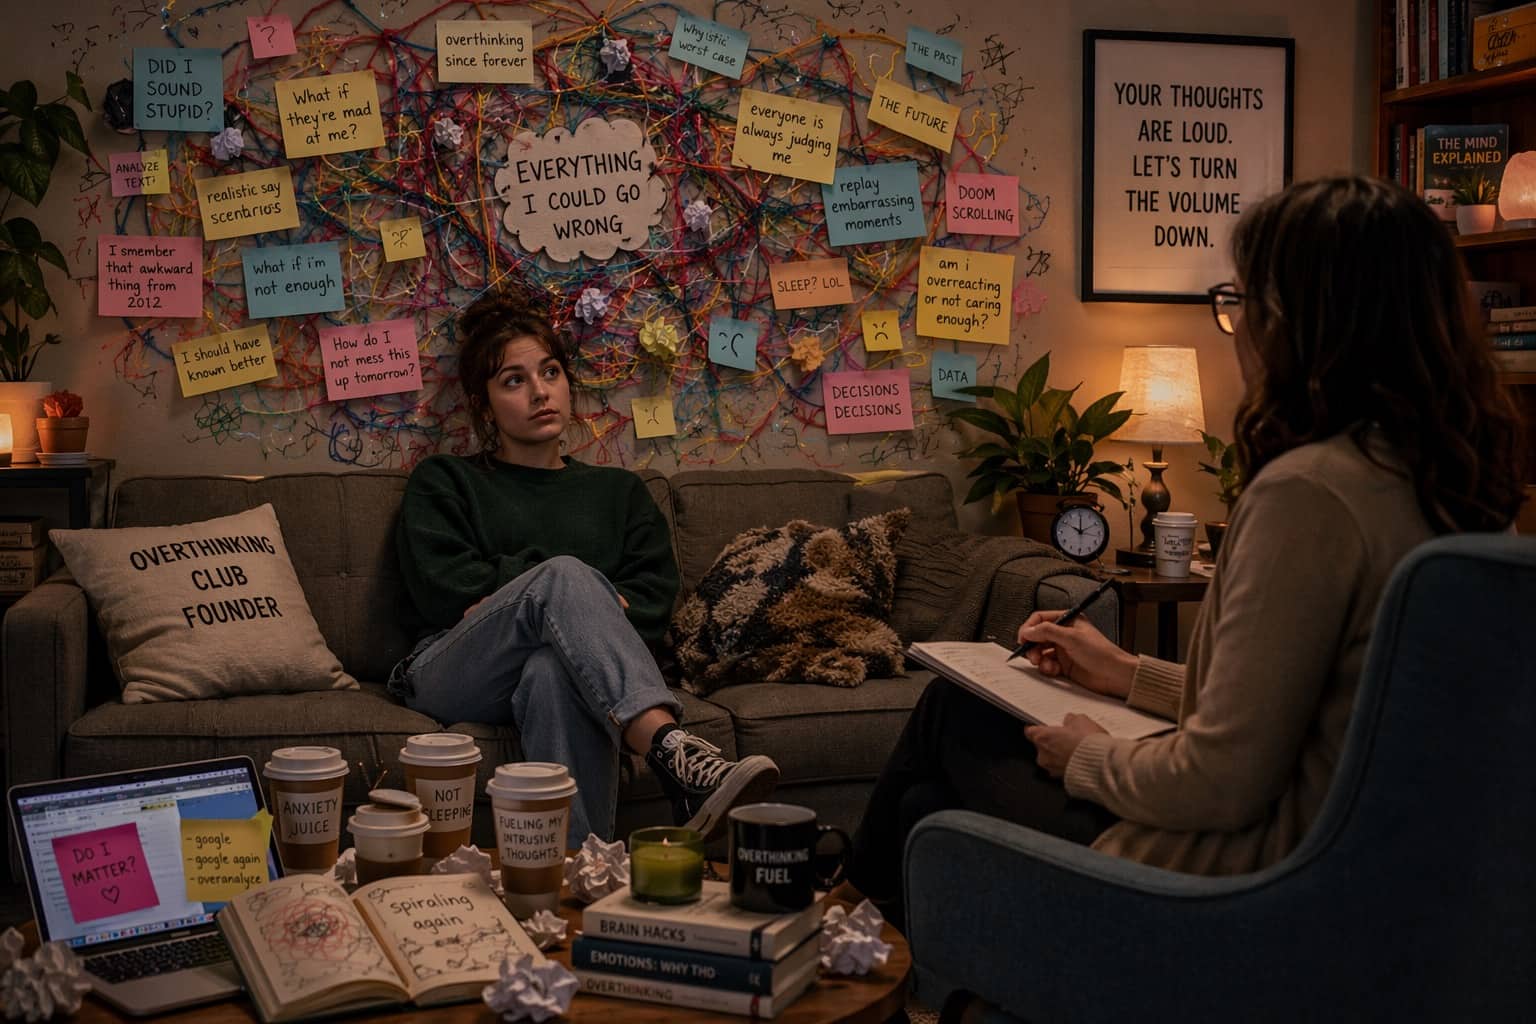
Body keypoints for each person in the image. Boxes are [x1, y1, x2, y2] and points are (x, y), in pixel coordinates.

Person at [844, 175, 1526, 923]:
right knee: (923, 807)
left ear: (1300, 321)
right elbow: (1311, 704)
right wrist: (1128, 673)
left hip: (1246, 876)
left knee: (948, 718)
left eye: (1242, 304)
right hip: (1374, 876)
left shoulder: (1309, 493)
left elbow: (1219, 780)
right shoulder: (1465, 493)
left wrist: (1087, 758)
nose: (1244, 334)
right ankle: (878, 943)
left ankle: (832, 935)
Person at [390, 288, 779, 843]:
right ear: (484, 402)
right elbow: (442, 589)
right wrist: (568, 594)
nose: (540, 392)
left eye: (549, 372)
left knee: (553, 669)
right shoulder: (446, 480)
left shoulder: (618, 492)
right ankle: (672, 751)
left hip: (574, 671)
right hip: (455, 668)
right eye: (514, 380)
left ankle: (578, 874)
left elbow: (652, 599)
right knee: (566, 577)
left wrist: (550, 607)